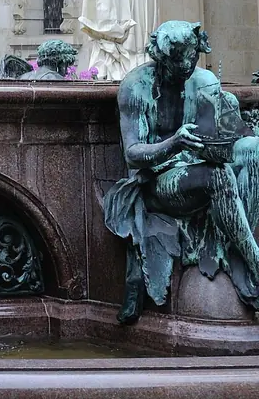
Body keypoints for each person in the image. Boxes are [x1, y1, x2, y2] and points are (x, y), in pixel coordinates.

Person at [104, 20, 259, 322]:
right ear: (161, 58)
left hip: (198, 166)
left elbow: (231, 132)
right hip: (158, 181)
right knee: (218, 175)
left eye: (192, 58)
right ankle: (254, 262)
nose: (187, 67)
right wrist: (174, 143)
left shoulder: (204, 80)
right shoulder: (135, 86)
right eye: (179, 62)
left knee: (254, 150)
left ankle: (238, 245)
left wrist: (233, 128)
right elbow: (133, 154)